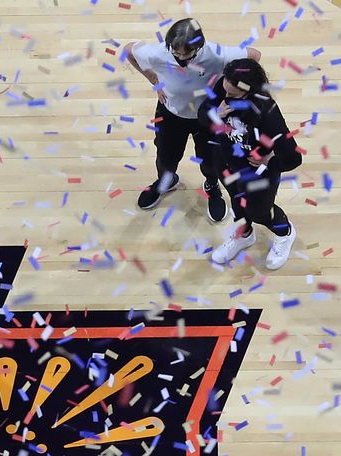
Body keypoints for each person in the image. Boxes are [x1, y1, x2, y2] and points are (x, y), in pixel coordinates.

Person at [124, 19, 259, 220]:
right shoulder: (156, 53)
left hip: (208, 117)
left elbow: (254, 56)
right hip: (170, 114)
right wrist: (153, 79)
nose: (181, 59)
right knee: (165, 159)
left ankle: (211, 185)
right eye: (176, 53)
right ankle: (166, 181)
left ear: (199, 46)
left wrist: (231, 93)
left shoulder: (217, 54)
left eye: (186, 55)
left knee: (211, 161)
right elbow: (128, 50)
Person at [204, 58, 303, 271]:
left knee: (260, 211)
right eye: (225, 90)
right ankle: (244, 234)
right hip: (226, 161)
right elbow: (203, 113)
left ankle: (285, 233)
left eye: (232, 94)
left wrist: (271, 160)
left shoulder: (267, 111)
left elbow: (293, 157)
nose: (225, 96)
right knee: (237, 202)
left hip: (258, 172)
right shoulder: (226, 85)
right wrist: (215, 115)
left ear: (248, 91)